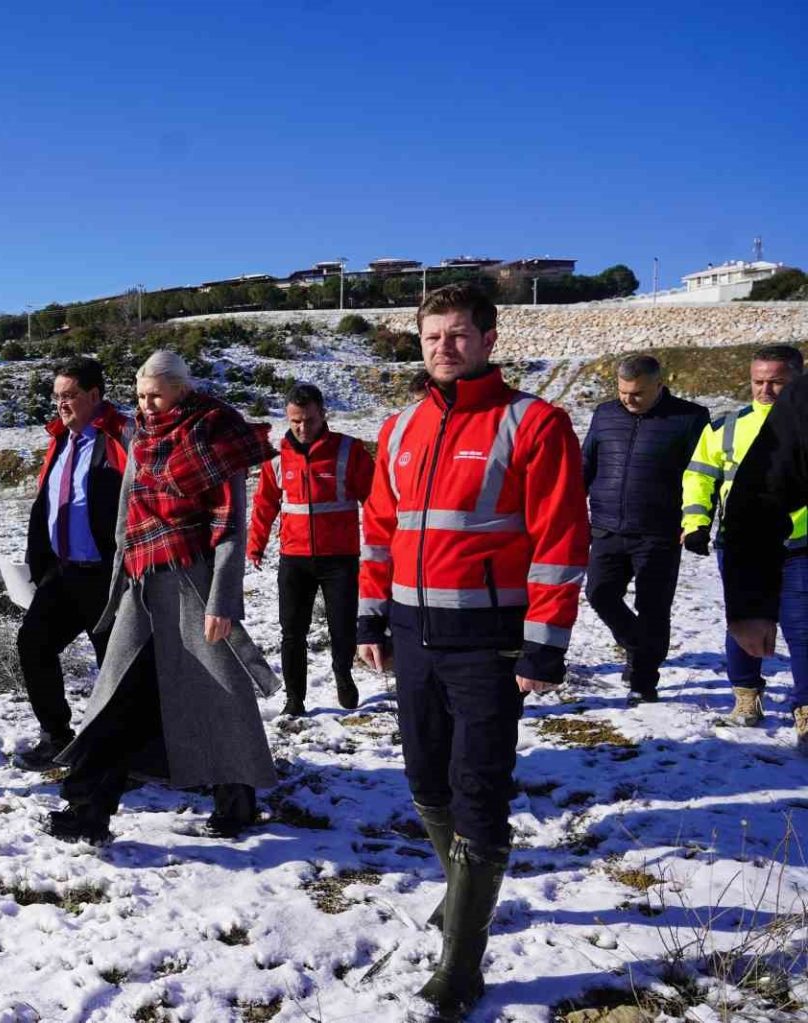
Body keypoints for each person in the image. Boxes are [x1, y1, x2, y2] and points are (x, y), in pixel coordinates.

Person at [357, 284, 589, 1019]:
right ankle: (463, 889)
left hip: (489, 642)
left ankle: (462, 962)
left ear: (489, 339)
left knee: (478, 789)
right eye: (432, 336)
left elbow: (560, 539)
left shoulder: (534, 422)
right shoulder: (400, 428)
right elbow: (380, 530)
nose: (444, 348)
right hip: (412, 635)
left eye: (458, 334)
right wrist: (369, 618)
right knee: (426, 779)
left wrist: (544, 644)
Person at [47, 351, 278, 844]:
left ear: (181, 389)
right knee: (117, 697)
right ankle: (88, 809)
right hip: (142, 582)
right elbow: (128, 510)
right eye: (139, 397)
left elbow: (231, 527)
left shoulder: (215, 438)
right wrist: (121, 576)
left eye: (154, 396)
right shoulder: (143, 437)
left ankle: (237, 800)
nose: (145, 405)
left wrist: (223, 601)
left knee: (219, 695)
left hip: (194, 584)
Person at [14, 357, 132, 770]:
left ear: (94, 395)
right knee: (33, 644)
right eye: (57, 397)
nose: (61, 404)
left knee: (115, 667)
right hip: (63, 574)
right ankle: (56, 737)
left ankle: (120, 755)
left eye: (70, 396)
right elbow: (47, 502)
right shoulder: (60, 441)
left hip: (107, 577)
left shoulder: (120, 437)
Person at [582, 355, 708, 704]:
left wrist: (696, 522)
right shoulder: (605, 414)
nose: (628, 399)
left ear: (659, 385)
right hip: (606, 527)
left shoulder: (690, 418)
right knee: (599, 593)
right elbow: (586, 462)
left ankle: (644, 680)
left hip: (659, 532)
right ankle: (638, 646)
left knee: (653, 607)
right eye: (622, 392)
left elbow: (700, 474)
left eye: (637, 393)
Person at [247, 382, 375, 715]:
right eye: (295, 421)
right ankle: (295, 699)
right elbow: (264, 504)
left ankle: (343, 674)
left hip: (340, 558)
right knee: (292, 632)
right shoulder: (276, 457)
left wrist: (384, 547)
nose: (303, 428)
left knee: (342, 627)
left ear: (323, 415)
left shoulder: (349, 450)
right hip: (295, 558)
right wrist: (255, 545)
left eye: (310, 420)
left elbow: (376, 502)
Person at [700, 345, 808, 737]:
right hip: (747, 542)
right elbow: (702, 477)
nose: (766, 390)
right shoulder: (728, 426)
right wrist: (695, 522)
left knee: (802, 629)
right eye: (758, 381)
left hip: (801, 544)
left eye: (776, 382)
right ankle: (746, 695)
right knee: (745, 626)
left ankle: (805, 708)